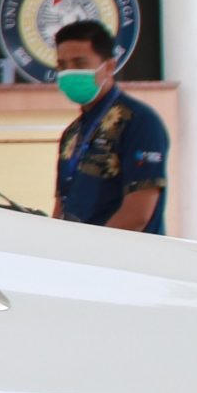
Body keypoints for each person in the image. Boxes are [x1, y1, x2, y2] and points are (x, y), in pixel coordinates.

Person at [49, 19, 168, 233]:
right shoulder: (72, 132)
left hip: (125, 260)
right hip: (77, 258)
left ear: (109, 67)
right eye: (62, 66)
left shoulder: (139, 122)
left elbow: (138, 215)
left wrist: (91, 253)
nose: (69, 73)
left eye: (80, 63)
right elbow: (61, 204)